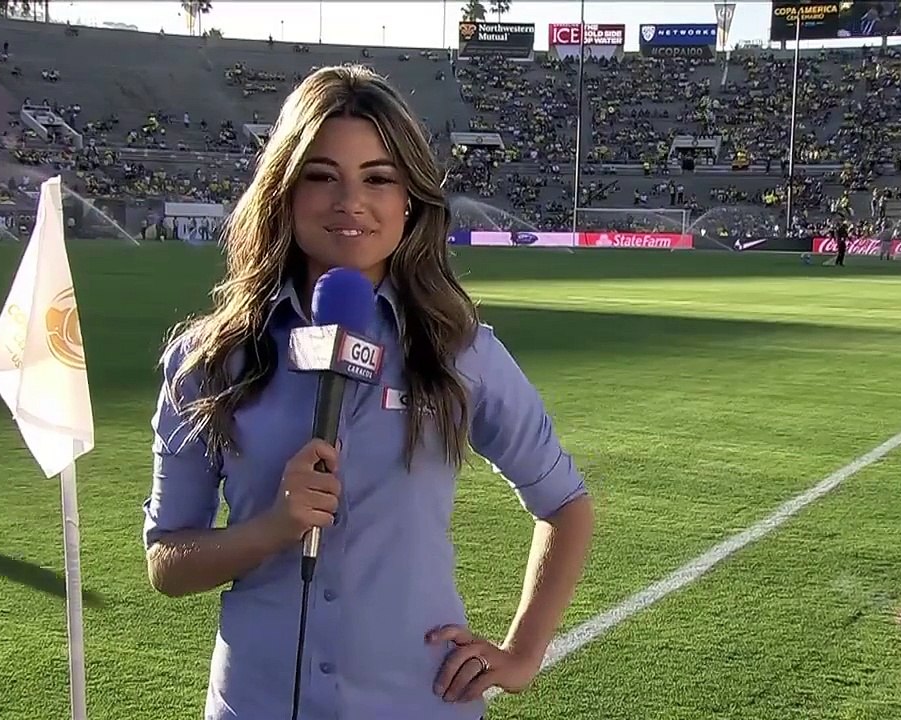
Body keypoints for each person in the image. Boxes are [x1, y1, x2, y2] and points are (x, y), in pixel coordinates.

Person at [141, 64, 595, 720]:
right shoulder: (208, 359)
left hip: (420, 701)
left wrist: (522, 654)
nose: (350, 201)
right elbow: (167, 561)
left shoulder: (460, 350)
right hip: (259, 703)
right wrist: (273, 526)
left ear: (409, 199)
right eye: (322, 176)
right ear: (286, 192)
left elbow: (566, 504)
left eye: (378, 178)